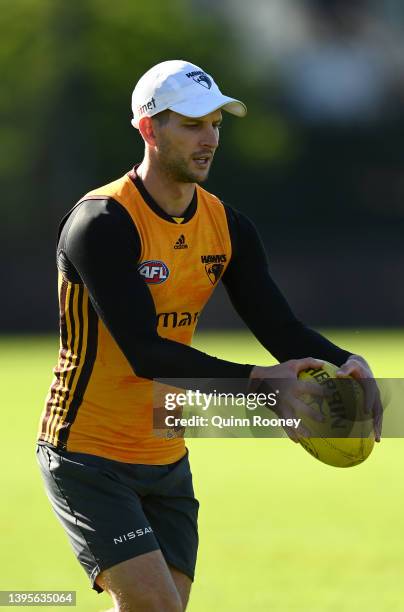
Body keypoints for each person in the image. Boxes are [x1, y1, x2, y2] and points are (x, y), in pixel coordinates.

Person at [36, 60, 380, 612]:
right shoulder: (101, 222)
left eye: (216, 123)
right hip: (87, 456)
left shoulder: (228, 225)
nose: (210, 138)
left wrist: (345, 362)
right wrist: (262, 388)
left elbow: (279, 327)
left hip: (166, 455)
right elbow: (144, 351)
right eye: (193, 123)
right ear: (149, 129)